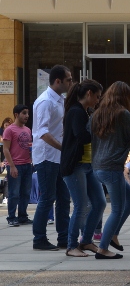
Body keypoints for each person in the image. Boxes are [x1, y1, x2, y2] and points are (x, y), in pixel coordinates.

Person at [92, 81, 130, 259]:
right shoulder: (123, 113)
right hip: (112, 167)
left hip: (98, 166)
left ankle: (113, 234)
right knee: (117, 208)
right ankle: (102, 248)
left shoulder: (97, 114)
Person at [60, 79, 105, 257]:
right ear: (88, 94)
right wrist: (99, 130)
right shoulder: (76, 112)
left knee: (100, 203)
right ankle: (71, 246)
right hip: (75, 166)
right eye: (97, 96)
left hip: (88, 165)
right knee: (81, 206)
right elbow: (82, 136)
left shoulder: (85, 112)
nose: (98, 100)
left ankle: (86, 241)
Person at [31, 65, 73, 251]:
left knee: (64, 198)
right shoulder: (46, 101)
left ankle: (64, 238)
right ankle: (39, 238)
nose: (71, 83)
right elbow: (42, 132)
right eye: (69, 80)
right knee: (48, 198)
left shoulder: (60, 100)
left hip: (58, 157)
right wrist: (64, 148)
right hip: (47, 156)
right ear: (58, 81)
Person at [3, 105, 33, 226]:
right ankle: (11, 217)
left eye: (28, 113)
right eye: (24, 113)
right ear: (16, 115)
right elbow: (5, 149)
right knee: (14, 193)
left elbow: (29, 146)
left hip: (27, 164)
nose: (27, 116)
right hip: (15, 165)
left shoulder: (27, 130)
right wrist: (12, 166)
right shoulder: (9, 130)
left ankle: (22, 216)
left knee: (25, 192)